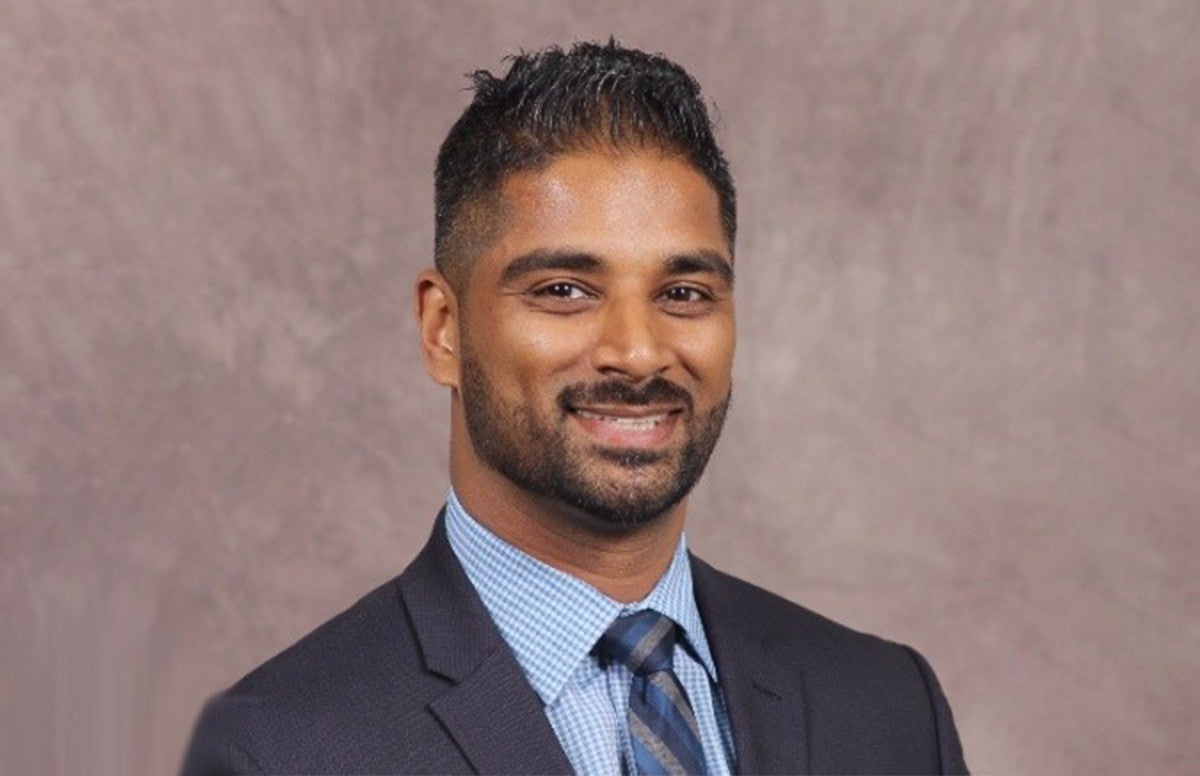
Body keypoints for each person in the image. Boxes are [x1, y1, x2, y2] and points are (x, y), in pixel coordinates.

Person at [182, 40, 968, 776]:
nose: (638, 352)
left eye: (683, 292)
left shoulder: (889, 710)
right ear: (443, 329)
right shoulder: (278, 751)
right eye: (564, 290)